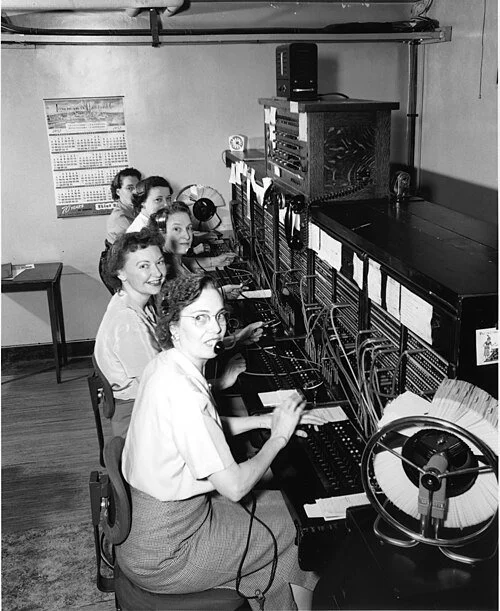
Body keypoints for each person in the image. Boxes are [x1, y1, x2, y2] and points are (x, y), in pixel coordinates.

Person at [119, 274, 324, 610]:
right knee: (299, 530)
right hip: (169, 552)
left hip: (155, 529)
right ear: (172, 327)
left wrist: (263, 420)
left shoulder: (166, 365)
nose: (214, 328)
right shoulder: (186, 394)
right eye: (199, 318)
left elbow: (204, 430)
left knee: (284, 508)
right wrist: (280, 435)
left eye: (218, 316)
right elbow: (235, 486)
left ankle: (274, 599)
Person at [95, 228, 248, 438]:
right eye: (143, 266)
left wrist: (234, 340)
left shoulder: (136, 303)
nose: (157, 273)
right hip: (138, 420)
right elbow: (166, 389)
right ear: (120, 273)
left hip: (147, 405)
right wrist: (221, 382)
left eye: (159, 262)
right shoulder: (128, 323)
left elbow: (170, 352)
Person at [99, 167, 142, 293]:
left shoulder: (136, 210)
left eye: (137, 188)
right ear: (118, 191)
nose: (134, 192)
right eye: (129, 188)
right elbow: (137, 243)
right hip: (115, 266)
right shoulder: (119, 216)